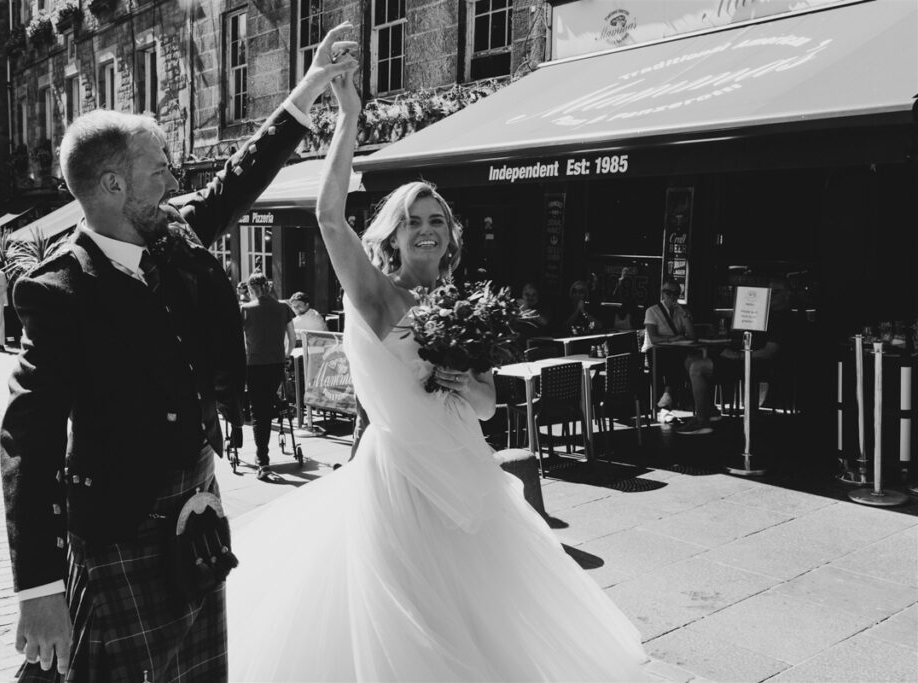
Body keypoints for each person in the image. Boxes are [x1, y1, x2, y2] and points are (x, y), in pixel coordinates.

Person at [224, 50, 647, 681]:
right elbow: (329, 217)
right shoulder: (376, 296)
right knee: (411, 629)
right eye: (412, 222)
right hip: (401, 483)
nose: (425, 231)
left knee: (480, 623)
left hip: (466, 477)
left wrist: (467, 379)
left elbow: (486, 408)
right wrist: (348, 116)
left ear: (450, 235)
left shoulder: (459, 305)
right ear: (391, 235)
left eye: (436, 222)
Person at [0, 24, 356, 682]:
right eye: (156, 164)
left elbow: (236, 180)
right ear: (112, 186)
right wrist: (39, 589)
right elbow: (29, 437)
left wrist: (309, 87)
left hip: (195, 507)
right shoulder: (58, 290)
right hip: (119, 526)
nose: (171, 172)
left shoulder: (173, 233)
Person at [676, 278, 797, 435]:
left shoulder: (783, 319)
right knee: (690, 360)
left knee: (697, 367)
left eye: (775, 292)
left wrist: (737, 356)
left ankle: (702, 421)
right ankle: (710, 411)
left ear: (787, 295)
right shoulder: (766, 315)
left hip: (756, 363)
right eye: (769, 292)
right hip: (745, 358)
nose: (770, 296)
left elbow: (769, 353)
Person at [242, 272, 296, 481]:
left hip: (254, 364)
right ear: (268, 287)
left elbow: (239, 340)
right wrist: (286, 354)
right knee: (268, 400)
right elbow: (292, 337)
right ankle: (278, 404)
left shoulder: (245, 310)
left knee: (259, 412)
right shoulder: (283, 307)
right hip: (276, 363)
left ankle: (262, 458)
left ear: (250, 289)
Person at [642, 277, 696, 410]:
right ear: (662, 293)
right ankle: (671, 395)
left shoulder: (681, 312)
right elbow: (653, 338)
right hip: (654, 351)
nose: (672, 296)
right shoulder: (652, 311)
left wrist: (685, 314)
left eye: (676, 293)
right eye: (668, 293)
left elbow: (693, 336)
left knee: (688, 360)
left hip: (674, 351)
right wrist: (673, 339)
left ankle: (668, 394)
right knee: (678, 358)